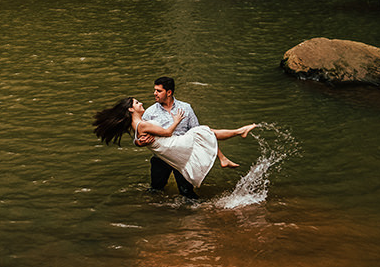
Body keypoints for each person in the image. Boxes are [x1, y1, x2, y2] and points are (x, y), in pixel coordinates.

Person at [92, 95, 257, 197]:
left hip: (170, 150)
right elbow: (168, 132)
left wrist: (139, 141)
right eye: (136, 103)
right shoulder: (143, 124)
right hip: (173, 145)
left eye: (158, 91)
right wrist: (177, 120)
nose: (141, 103)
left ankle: (232, 142)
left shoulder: (137, 125)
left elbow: (141, 138)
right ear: (130, 109)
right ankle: (238, 132)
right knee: (204, 131)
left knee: (204, 132)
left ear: (168, 92)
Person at [137, 76, 201, 197]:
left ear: (169, 92)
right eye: (155, 90)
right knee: (155, 190)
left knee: (187, 192)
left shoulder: (186, 108)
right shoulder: (150, 112)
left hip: (182, 157)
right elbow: (138, 136)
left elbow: (196, 131)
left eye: (159, 91)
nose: (155, 93)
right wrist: (139, 142)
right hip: (161, 157)